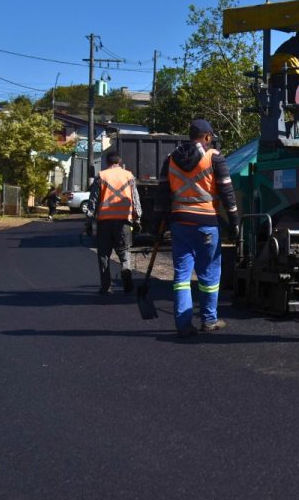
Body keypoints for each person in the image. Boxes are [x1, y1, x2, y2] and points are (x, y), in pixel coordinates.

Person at [156, 119, 240, 337]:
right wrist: (234, 221)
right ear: (206, 137)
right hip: (206, 224)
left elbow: (162, 194)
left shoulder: (170, 159)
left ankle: (183, 324)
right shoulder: (214, 157)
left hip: (180, 223)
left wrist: (159, 222)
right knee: (209, 275)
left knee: (182, 276)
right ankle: (209, 319)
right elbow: (227, 193)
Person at [89, 153, 141, 294]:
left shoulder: (101, 176)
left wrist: (89, 220)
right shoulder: (128, 176)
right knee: (124, 252)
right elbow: (135, 198)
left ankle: (106, 286)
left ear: (107, 162)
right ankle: (126, 269)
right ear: (120, 161)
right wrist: (137, 219)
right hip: (123, 222)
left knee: (104, 255)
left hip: (104, 222)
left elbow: (93, 200)